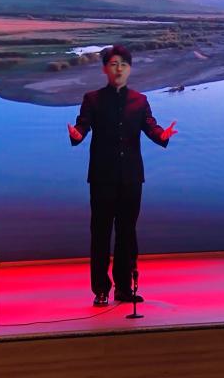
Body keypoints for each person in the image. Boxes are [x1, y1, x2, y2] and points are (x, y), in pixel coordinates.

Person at [68, 45, 178, 306]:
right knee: (101, 234)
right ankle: (101, 290)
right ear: (105, 69)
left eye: (124, 65)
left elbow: (151, 127)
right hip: (102, 178)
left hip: (131, 178)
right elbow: (82, 126)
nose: (119, 69)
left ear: (130, 69)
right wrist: (77, 135)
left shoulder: (140, 100)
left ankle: (124, 288)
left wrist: (162, 136)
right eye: (113, 64)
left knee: (127, 234)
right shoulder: (92, 99)